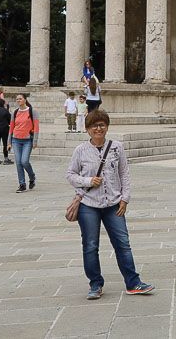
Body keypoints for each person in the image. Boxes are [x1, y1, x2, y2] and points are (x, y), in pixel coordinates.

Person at [66, 109, 154, 300]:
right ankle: (95, 284)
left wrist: (125, 198)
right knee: (90, 245)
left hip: (114, 203)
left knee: (123, 244)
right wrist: (89, 181)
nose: (98, 129)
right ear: (88, 129)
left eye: (102, 125)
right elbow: (70, 175)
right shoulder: (80, 150)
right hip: (89, 205)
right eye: (94, 126)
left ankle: (133, 282)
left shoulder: (116, 147)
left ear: (107, 127)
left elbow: (125, 174)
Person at [8, 94, 39, 192]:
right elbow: (11, 127)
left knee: (24, 161)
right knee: (18, 163)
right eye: (17, 99)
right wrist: (9, 142)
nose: (18, 100)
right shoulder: (15, 112)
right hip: (16, 139)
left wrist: (35, 141)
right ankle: (22, 184)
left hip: (27, 140)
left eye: (20, 99)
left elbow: (36, 127)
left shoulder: (32, 111)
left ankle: (32, 177)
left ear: (25, 100)